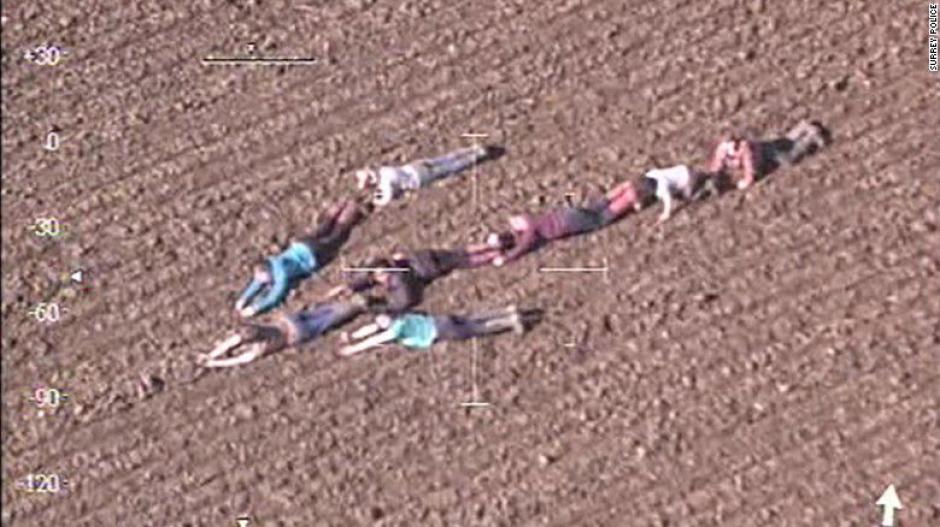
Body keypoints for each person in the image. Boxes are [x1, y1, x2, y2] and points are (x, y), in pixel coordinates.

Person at [236, 200, 366, 318]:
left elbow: (274, 296)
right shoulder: (272, 261)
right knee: (323, 228)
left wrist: (255, 308)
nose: (258, 280)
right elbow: (257, 281)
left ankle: (351, 211)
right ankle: (342, 204)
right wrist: (244, 299)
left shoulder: (282, 274)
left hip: (313, 255)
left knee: (335, 237)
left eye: (261, 276)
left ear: (267, 272)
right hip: (301, 244)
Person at [485, 176, 655, 266]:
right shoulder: (531, 221)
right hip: (569, 213)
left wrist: (506, 258)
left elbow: (523, 246)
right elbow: (518, 235)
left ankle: (630, 198)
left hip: (571, 223)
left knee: (600, 219)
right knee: (600, 204)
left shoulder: (532, 230)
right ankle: (626, 188)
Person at [326, 244, 503, 314]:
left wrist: (376, 304)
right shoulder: (394, 267)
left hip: (431, 269)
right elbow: (371, 273)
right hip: (425, 255)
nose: (377, 278)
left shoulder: (400, 281)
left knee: (463, 261)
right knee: (460, 252)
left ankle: (494, 254)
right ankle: (492, 246)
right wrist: (349, 287)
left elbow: (403, 302)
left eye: (380, 276)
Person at [199, 298, 368, 368]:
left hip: (296, 334)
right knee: (319, 311)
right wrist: (211, 354)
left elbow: (239, 360)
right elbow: (231, 341)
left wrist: (213, 362)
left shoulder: (257, 349)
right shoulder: (252, 330)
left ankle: (355, 307)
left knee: (325, 322)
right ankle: (348, 301)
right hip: (288, 321)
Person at [339, 305, 526, 356]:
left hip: (439, 332)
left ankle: (509, 322)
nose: (378, 323)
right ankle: (506, 310)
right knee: (474, 316)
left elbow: (374, 339)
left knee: (477, 329)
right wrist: (352, 336)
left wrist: (354, 349)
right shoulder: (401, 317)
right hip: (438, 319)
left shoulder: (394, 331)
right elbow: (373, 328)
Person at [355, 145, 493, 206]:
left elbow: (387, 197)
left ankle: (476, 156)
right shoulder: (383, 170)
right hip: (415, 166)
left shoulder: (385, 182)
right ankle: (472, 149)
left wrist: (375, 200)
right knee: (447, 158)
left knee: (450, 168)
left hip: (419, 178)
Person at [708, 119, 830, 190]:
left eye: (733, 142)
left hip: (766, 152)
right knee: (785, 142)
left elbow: (749, 166)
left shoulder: (744, 148)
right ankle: (803, 127)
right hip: (763, 149)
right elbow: (717, 164)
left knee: (789, 158)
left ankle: (810, 137)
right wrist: (714, 175)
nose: (731, 146)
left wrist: (745, 182)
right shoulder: (722, 150)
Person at [643, 164, 715, 223]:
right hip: (682, 169)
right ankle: (701, 175)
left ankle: (707, 186)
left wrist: (665, 214)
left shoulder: (662, 185)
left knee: (689, 197)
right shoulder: (651, 174)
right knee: (677, 193)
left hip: (688, 178)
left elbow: (668, 200)